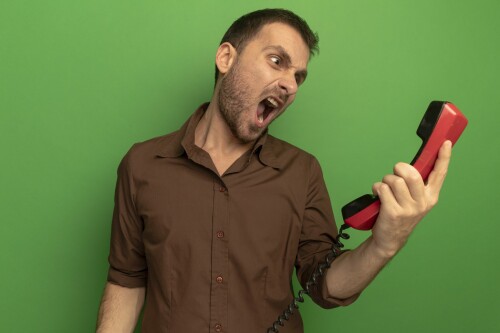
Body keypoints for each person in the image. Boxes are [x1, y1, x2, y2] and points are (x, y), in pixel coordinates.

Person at [96, 8, 452, 333]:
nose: (290, 85)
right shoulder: (142, 164)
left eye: (299, 76)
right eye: (276, 61)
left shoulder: (302, 171)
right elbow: (126, 279)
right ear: (225, 58)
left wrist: (384, 245)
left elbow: (325, 285)